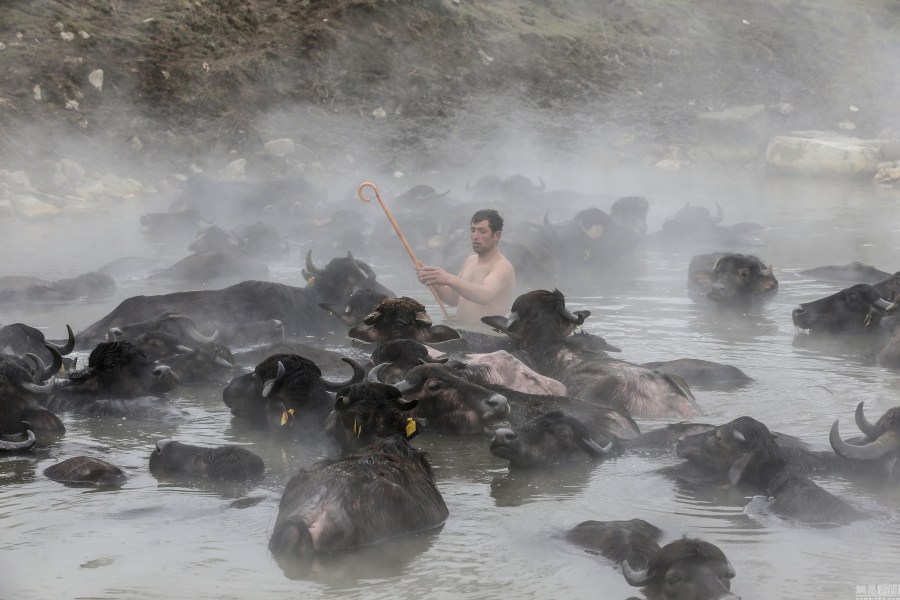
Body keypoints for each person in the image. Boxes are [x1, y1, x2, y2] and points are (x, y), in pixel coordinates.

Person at [417, 209, 516, 327]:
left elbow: (485, 295)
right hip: (462, 331)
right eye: (473, 230)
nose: (475, 236)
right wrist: (434, 280)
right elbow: (453, 299)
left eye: (482, 231)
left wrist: (448, 278)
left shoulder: (502, 266)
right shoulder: (471, 261)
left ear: (497, 235)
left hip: (486, 336)